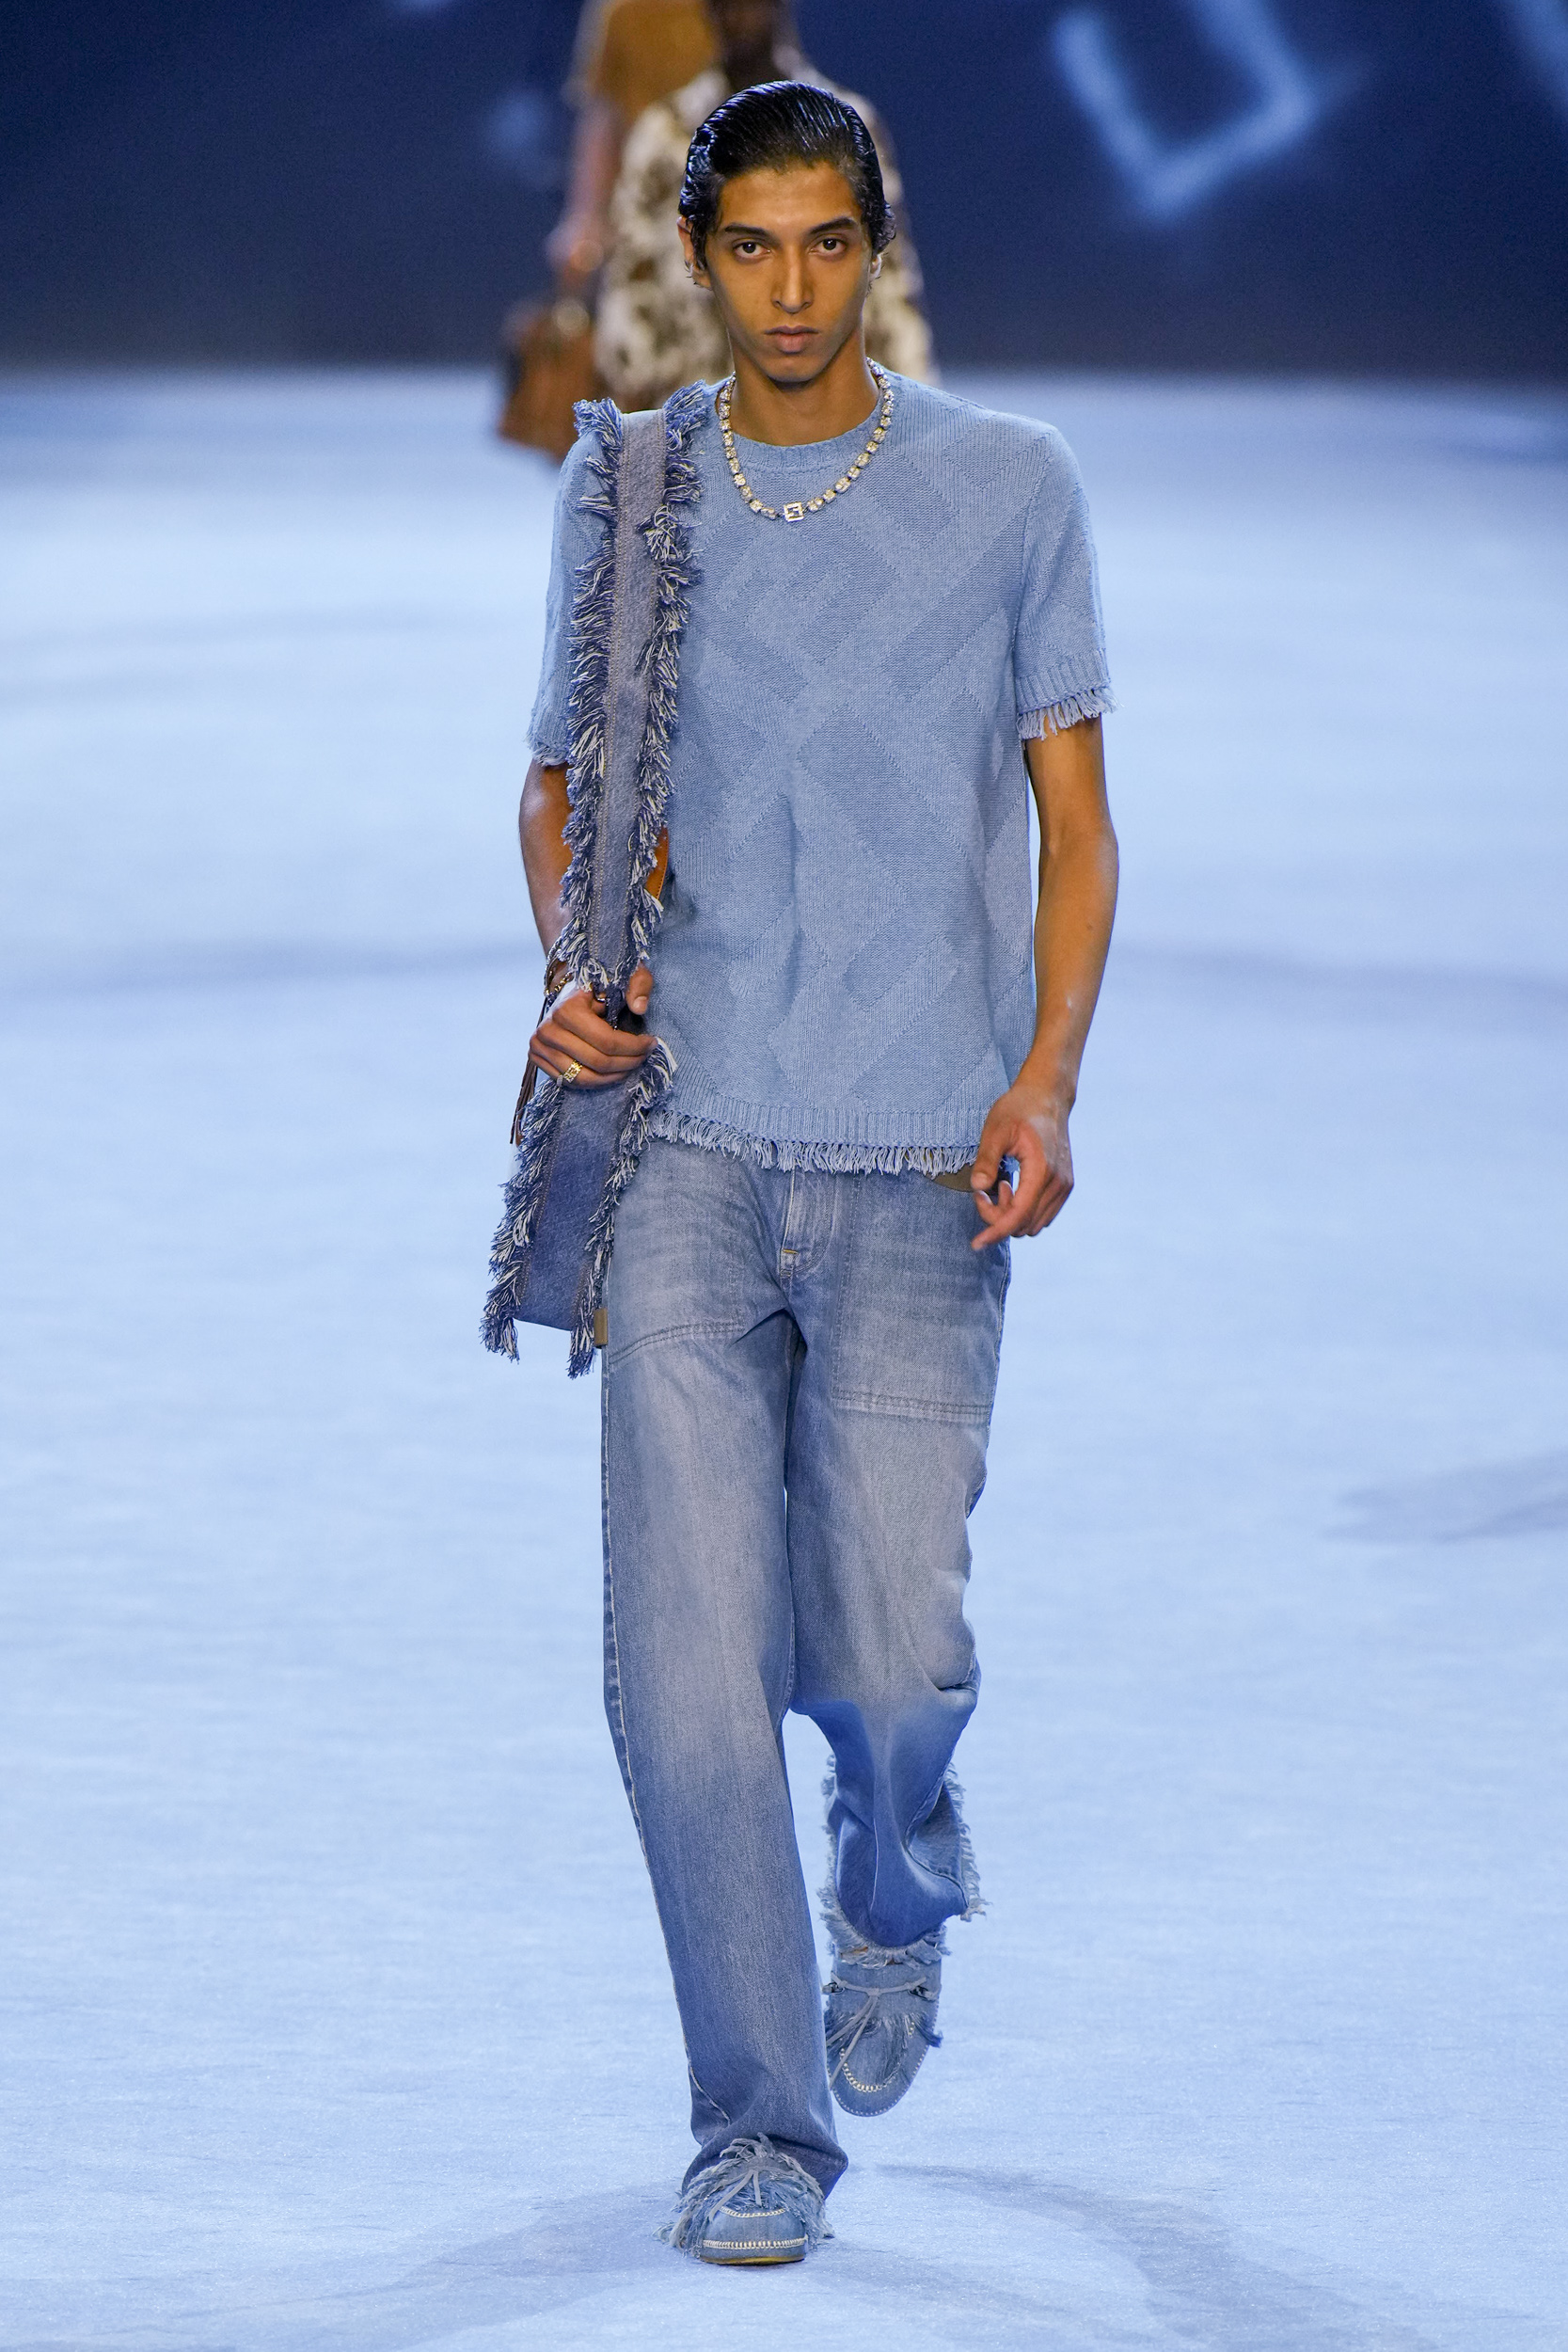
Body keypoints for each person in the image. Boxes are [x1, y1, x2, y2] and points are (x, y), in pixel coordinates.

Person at [516, 83, 1117, 2264]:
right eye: (751, 247)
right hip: (686, 1142)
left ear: (875, 244)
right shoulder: (628, 482)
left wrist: (1044, 1080)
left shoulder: (1008, 488)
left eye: (825, 246)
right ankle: (755, 2123)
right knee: (680, 1675)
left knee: (881, 1666)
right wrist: (573, 967)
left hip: (921, 1158)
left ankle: (892, 1876)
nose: (789, 292)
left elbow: (1075, 825)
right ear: (700, 255)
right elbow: (557, 782)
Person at [594, 0, 932, 407]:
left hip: (828, 402)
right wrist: (631, 402)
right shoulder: (666, 133)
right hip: (692, 396)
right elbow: (632, 273)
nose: (736, 17)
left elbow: (890, 270)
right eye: (724, 6)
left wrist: (915, 400)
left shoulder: (848, 127)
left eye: (748, 4)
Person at [547, 0, 719, 294]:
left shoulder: (738, 9)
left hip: (721, 203)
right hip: (641, 211)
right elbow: (604, 116)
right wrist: (584, 218)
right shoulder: (620, 10)